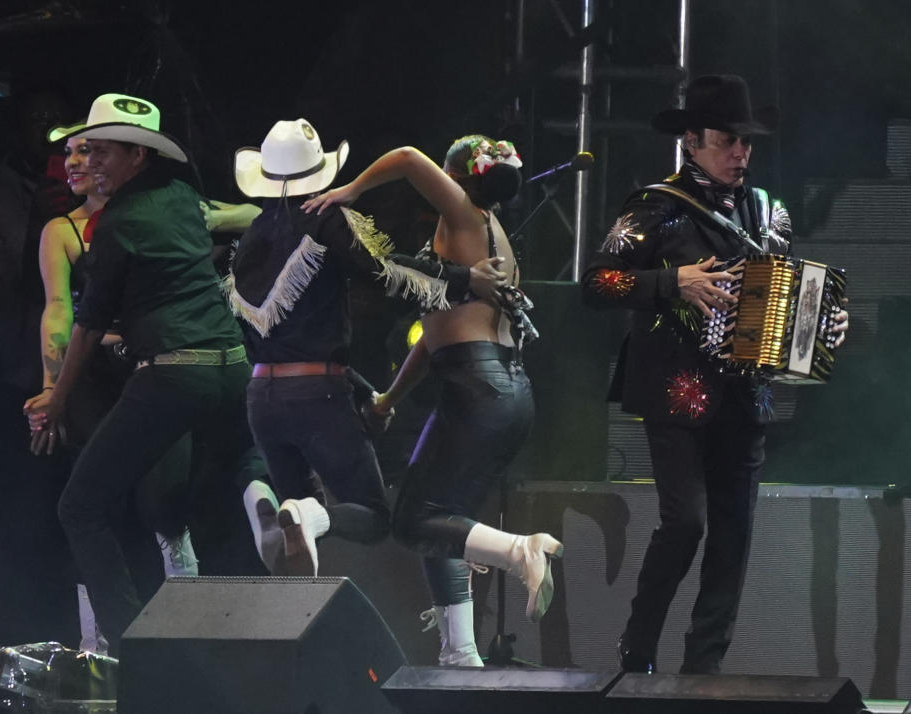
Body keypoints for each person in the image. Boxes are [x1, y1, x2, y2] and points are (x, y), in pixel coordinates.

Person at [580, 74, 849, 674]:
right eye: (728, 140)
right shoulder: (655, 207)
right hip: (675, 393)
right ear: (692, 141)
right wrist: (669, 282)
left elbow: (787, 292)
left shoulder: (768, 211)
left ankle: (703, 673)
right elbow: (596, 284)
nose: (740, 153)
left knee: (733, 542)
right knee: (686, 525)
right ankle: (638, 652)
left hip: (744, 396)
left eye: (747, 142)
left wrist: (825, 324)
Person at [23, 93, 274, 655]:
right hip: (231, 364)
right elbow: (248, 216)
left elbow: (83, 326)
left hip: (170, 371)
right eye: (84, 150)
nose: (89, 160)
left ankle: (135, 650)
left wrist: (53, 399)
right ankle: (264, 497)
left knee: (79, 506)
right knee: (191, 489)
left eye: (102, 151)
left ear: (137, 157)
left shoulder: (119, 223)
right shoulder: (182, 198)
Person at [304, 135, 563, 667]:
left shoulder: (464, 214)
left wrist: (349, 191)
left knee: (413, 521)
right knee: (445, 521)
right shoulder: (490, 236)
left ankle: (522, 551)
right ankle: (460, 653)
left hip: (479, 387)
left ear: (458, 176)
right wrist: (387, 399)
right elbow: (431, 335)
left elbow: (404, 158)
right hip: (501, 390)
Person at [225, 119, 507, 580]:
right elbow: (382, 272)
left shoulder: (253, 236)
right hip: (316, 394)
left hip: (262, 397)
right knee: (373, 517)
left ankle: (269, 504)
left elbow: (270, 339)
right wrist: (464, 278)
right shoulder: (325, 219)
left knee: (300, 536)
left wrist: (359, 387)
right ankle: (306, 514)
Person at [28, 130, 201, 653]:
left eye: (88, 152)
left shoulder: (157, 214)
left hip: (153, 368)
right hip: (90, 379)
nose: (75, 163)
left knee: (161, 502)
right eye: (69, 155)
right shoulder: (62, 231)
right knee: (91, 506)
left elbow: (232, 216)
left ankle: (192, 626)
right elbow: (58, 310)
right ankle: (98, 644)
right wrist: (50, 388)